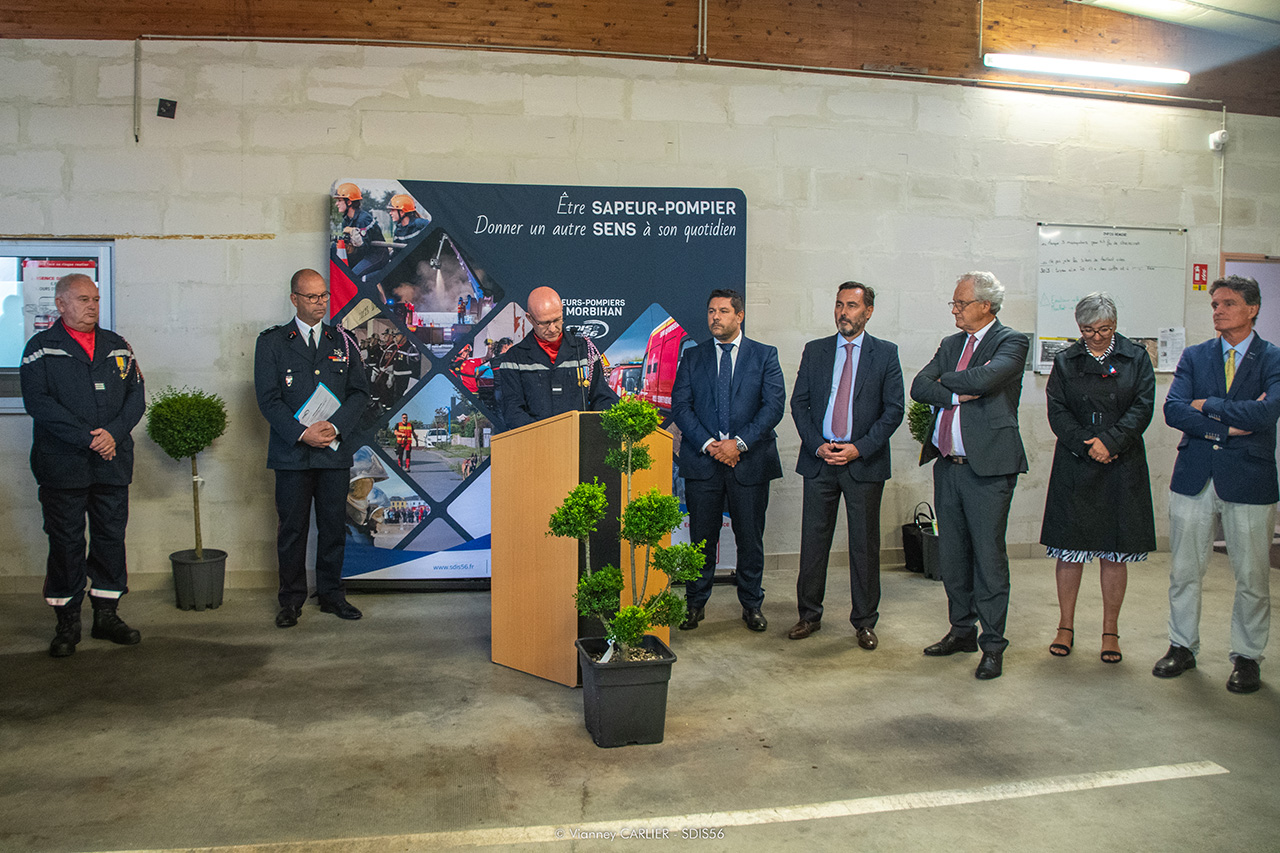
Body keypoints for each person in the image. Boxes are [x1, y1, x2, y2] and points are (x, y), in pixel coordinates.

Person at [1155, 275, 1280, 694]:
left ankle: (1247, 657)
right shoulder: (1195, 356)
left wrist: (1207, 405)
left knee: (1252, 577)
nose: (1218, 311)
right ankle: (1182, 646)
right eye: (1214, 305)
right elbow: (1174, 410)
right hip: (1195, 476)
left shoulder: (1273, 359)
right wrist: (1227, 428)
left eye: (1227, 303)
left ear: (1252, 309)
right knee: (1184, 571)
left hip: (1249, 479)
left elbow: (1267, 414)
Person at [911, 271, 1028, 680]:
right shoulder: (951, 344)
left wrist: (946, 382)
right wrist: (957, 391)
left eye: (961, 304)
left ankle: (992, 645)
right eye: (954, 304)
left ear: (985, 305)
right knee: (953, 555)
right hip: (948, 465)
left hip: (989, 469)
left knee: (988, 559)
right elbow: (919, 386)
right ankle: (961, 630)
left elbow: (988, 378)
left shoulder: (1012, 342)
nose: (955, 311)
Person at [20, 273, 145, 658]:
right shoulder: (41, 348)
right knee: (66, 543)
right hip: (64, 466)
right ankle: (67, 622)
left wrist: (112, 434)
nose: (92, 306)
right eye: (83, 299)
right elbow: (38, 403)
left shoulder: (118, 346)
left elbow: (136, 397)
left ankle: (106, 615)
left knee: (110, 539)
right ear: (60, 304)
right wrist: (88, 438)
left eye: (95, 299)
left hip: (111, 463)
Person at [1040, 293, 1156, 664]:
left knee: (1114, 551)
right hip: (1077, 461)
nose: (1096, 336)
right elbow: (1057, 410)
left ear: (1115, 325)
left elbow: (1142, 406)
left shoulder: (1136, 357)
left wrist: (1112, 442)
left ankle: (1110, 632)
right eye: (1088, 330)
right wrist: (1086, 444)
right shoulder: (1066, 360)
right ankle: (1065, 626)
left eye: (1104, 329)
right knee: (1069, 550)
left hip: (1121, 462)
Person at [788, 282, 904, 648]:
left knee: (864, 547)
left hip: (863, 463)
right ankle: (808, 615)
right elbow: (799, 403)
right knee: (813, 543)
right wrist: (817, 445)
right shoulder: (816, 350)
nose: (843, 312)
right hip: (820, 460)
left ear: (868, 312)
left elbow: (893, 410)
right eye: (839, 304)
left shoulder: (885, 353)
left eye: (851, 305)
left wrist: (859, 449)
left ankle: (865, 622)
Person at [254, 269, 372, 628]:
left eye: (323, 296)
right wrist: (302, 433)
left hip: (333, 452)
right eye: (311, 297)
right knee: (292, 530)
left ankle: (332, 594)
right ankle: (290, 600)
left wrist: (334, 427)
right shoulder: (273, 343)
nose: (320, 303)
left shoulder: (343, 341)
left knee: (334, 527)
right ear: (294, 299)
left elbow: (359, 393)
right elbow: (268, 399)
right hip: (292, 454)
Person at [672, 288, 785, 632]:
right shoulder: (693, 357)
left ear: (740, 315)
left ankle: (752, 605)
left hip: (749, 464)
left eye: (723, 311)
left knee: (750, 540)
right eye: (711, 311)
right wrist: (711, 445)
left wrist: (738, 444)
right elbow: (681, 407)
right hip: (703, 463)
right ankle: (695, 604)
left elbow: (773, 407)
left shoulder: (764, 355)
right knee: (700, 541)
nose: (715, 317)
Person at [497, 286, 617, 429]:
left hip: (579, 438)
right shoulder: (514, 359)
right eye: (544, 323)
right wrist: (545, 435)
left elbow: (603, 398)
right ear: (530, 319)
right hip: (536, 440)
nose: (552, 329)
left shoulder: (585, 351)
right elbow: (512, 410)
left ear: (562, 310)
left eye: (557, 320)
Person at [333, 183, 388, 281]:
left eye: (340, 200)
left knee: (353, 276)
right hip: (362, 254)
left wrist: (355, 242)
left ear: (349, 202)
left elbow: (364, 246)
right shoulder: (346, 220)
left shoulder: (364, 219)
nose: (336, 204)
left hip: (376, 255)